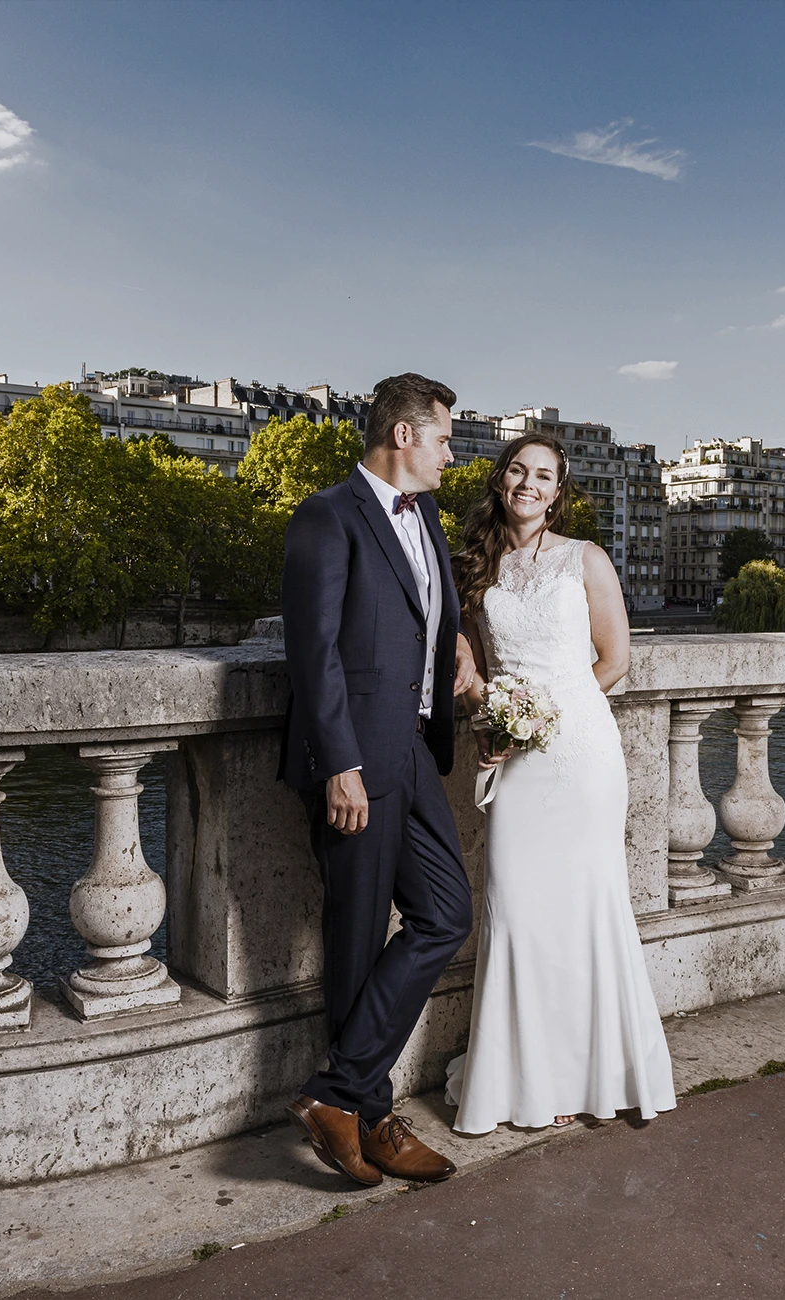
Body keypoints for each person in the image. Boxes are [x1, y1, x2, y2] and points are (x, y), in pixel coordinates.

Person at [279, 372, 479, 1188]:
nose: (450, 454)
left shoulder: (426, 515)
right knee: (357, 944)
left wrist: (457, 648)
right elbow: (313, 653)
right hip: (357, 762)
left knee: (446, 913)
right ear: (403, 435)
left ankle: (340, 1095)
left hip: (416, 753)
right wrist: (342, 766)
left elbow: (429, 616)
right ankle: (372, 1118)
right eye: (444, 438)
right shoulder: (326, 517)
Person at [445, 433, 676, 1133]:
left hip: (580, 755)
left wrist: (553, 714)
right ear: (501, 481)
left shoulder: (586, 558)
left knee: (587, 907)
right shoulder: (475, 568)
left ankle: (596, 1077)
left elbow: (615, 660)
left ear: (558, 489)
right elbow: (470, 671)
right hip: (514, 755)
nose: (528, 483)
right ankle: (526, 1081)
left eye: (543, 475)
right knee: (515, 908)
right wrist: (499, 716)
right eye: (518, 470)